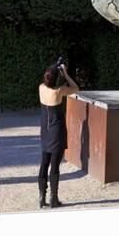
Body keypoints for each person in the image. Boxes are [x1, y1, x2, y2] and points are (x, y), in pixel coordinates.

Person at [38, 63, 80, 208]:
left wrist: (55, 69)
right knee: (54, 166)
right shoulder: (59, 91)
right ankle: (53, 200)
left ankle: (41, 198)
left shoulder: (41, 88)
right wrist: (66, 74)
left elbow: (48, 79)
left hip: (45, 131)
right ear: (56, 79)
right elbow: (76, 88)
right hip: (57, 132)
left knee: (44, 164)